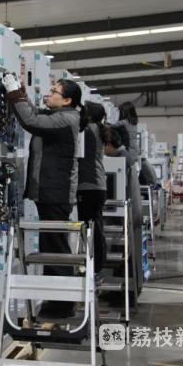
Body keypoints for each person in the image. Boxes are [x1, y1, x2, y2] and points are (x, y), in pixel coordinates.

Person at [2, 73, 84, 318]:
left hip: (56, 193)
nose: (49, 94)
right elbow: (34, 113)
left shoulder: (66, 119)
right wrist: (20, 93)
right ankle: (56, 300)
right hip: (50, 191)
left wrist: (14, 93)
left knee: (56, 247)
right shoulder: (59, 115)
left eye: (54, 91)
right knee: (52, 246)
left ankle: (63, 304)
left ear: (67, 100)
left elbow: (31, 121)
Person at [104, 126, 144, 294]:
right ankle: (124, 290)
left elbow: (114, 189)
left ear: (109, 144)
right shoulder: (127, 156)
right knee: (126, 253)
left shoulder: (120, 159)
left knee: (123, 254)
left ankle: (123, 292)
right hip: (131, 211)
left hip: (125, 214)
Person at [77, 102, 107, 274]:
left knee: (90, 229)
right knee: (95, 227)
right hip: (97, 186)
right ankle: (97, 265)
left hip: (89, 185)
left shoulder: (88, 130)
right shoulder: (97, 129)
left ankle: (94, 266)